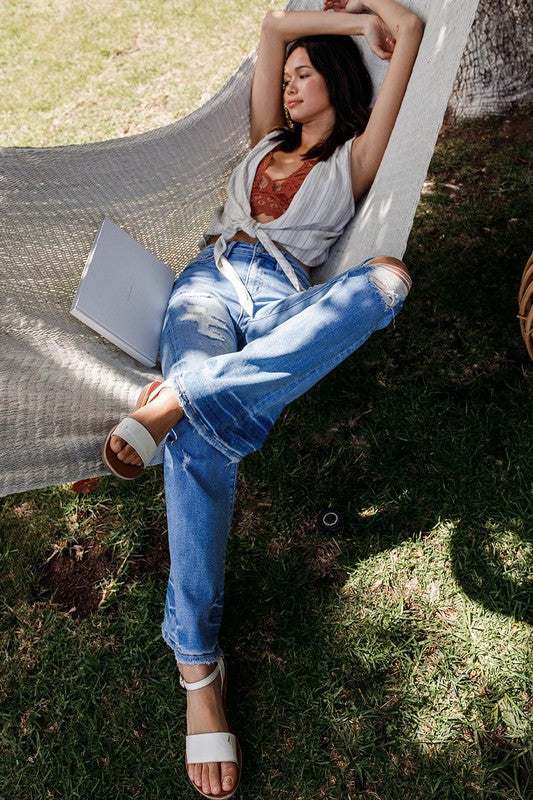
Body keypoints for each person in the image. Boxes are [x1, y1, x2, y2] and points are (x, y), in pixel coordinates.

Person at [102, 1, 424, 796]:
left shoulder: (352, 157)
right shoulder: (261, 148)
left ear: (337, 87)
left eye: (304, 76)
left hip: (283, 300)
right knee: (202, 447)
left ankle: (178, 395)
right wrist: (328, 25)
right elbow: (275, 26)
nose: (287, 86)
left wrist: (371, 23)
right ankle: (196, 668)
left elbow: (410, 37)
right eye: (284, 79)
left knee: (383, 280)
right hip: (208, 286)